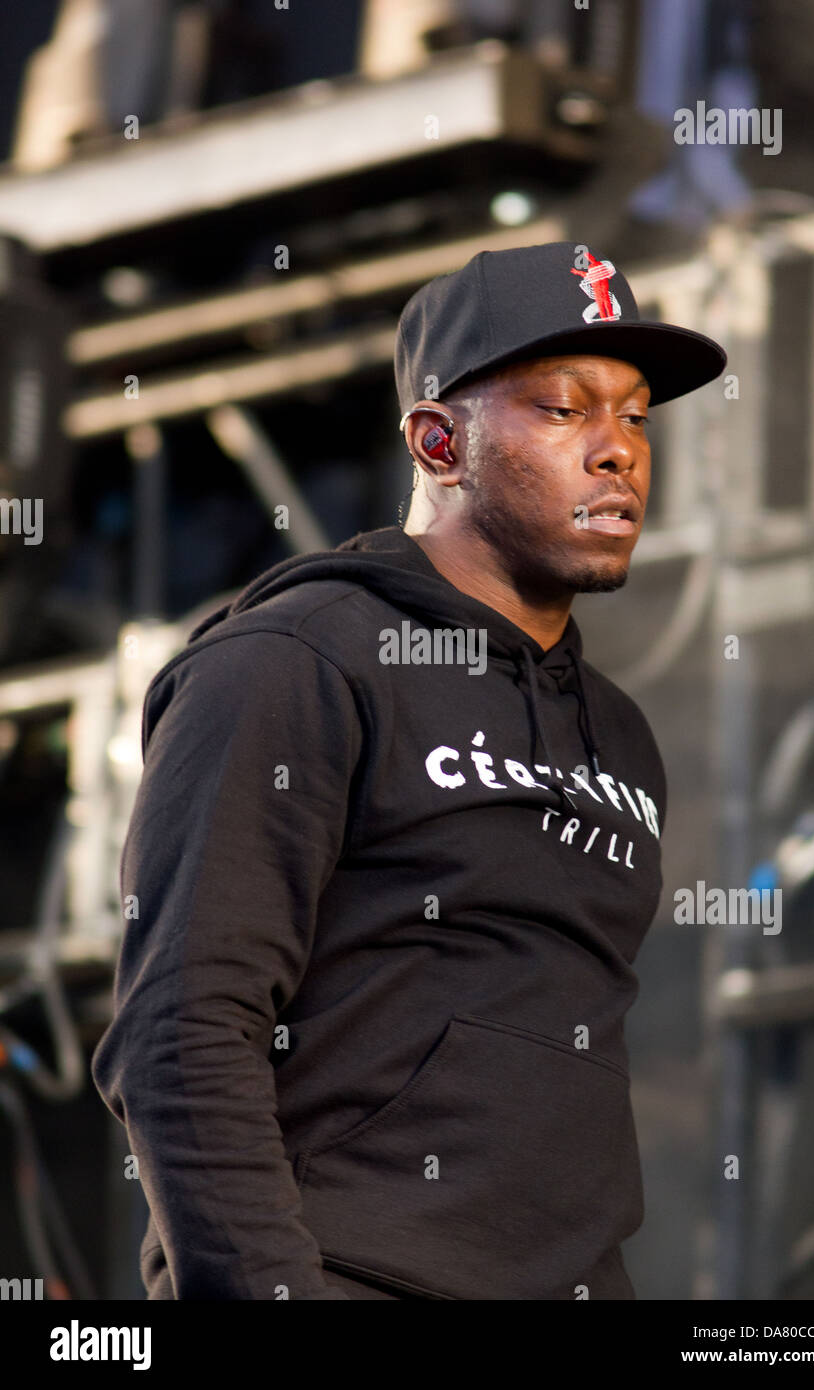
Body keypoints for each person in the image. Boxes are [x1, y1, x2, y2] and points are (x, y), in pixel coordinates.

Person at [91, 240, 726, 1300]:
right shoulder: (294, 659)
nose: (617, 450)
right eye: (565, 408)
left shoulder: (617, 736)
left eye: (635, 415)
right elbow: (180, 1027)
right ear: (439, 442)